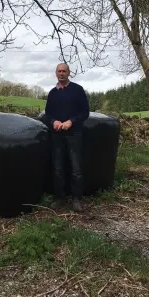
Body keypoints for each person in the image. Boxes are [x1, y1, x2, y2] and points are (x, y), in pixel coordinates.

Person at [45, 63, 89, 212]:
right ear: (56, 73)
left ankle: (77, 199)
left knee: (76, 168)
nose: (62, 73)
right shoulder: (52, 93)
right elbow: (47, 114)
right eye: (59, 71)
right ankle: (59, 198)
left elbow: (85, 112)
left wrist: (71, 121)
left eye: (64, 71)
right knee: (58, 168)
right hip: (57, 135)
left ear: (69, 73)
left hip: (74, 134)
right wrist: (53, 122)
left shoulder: (78, 90)